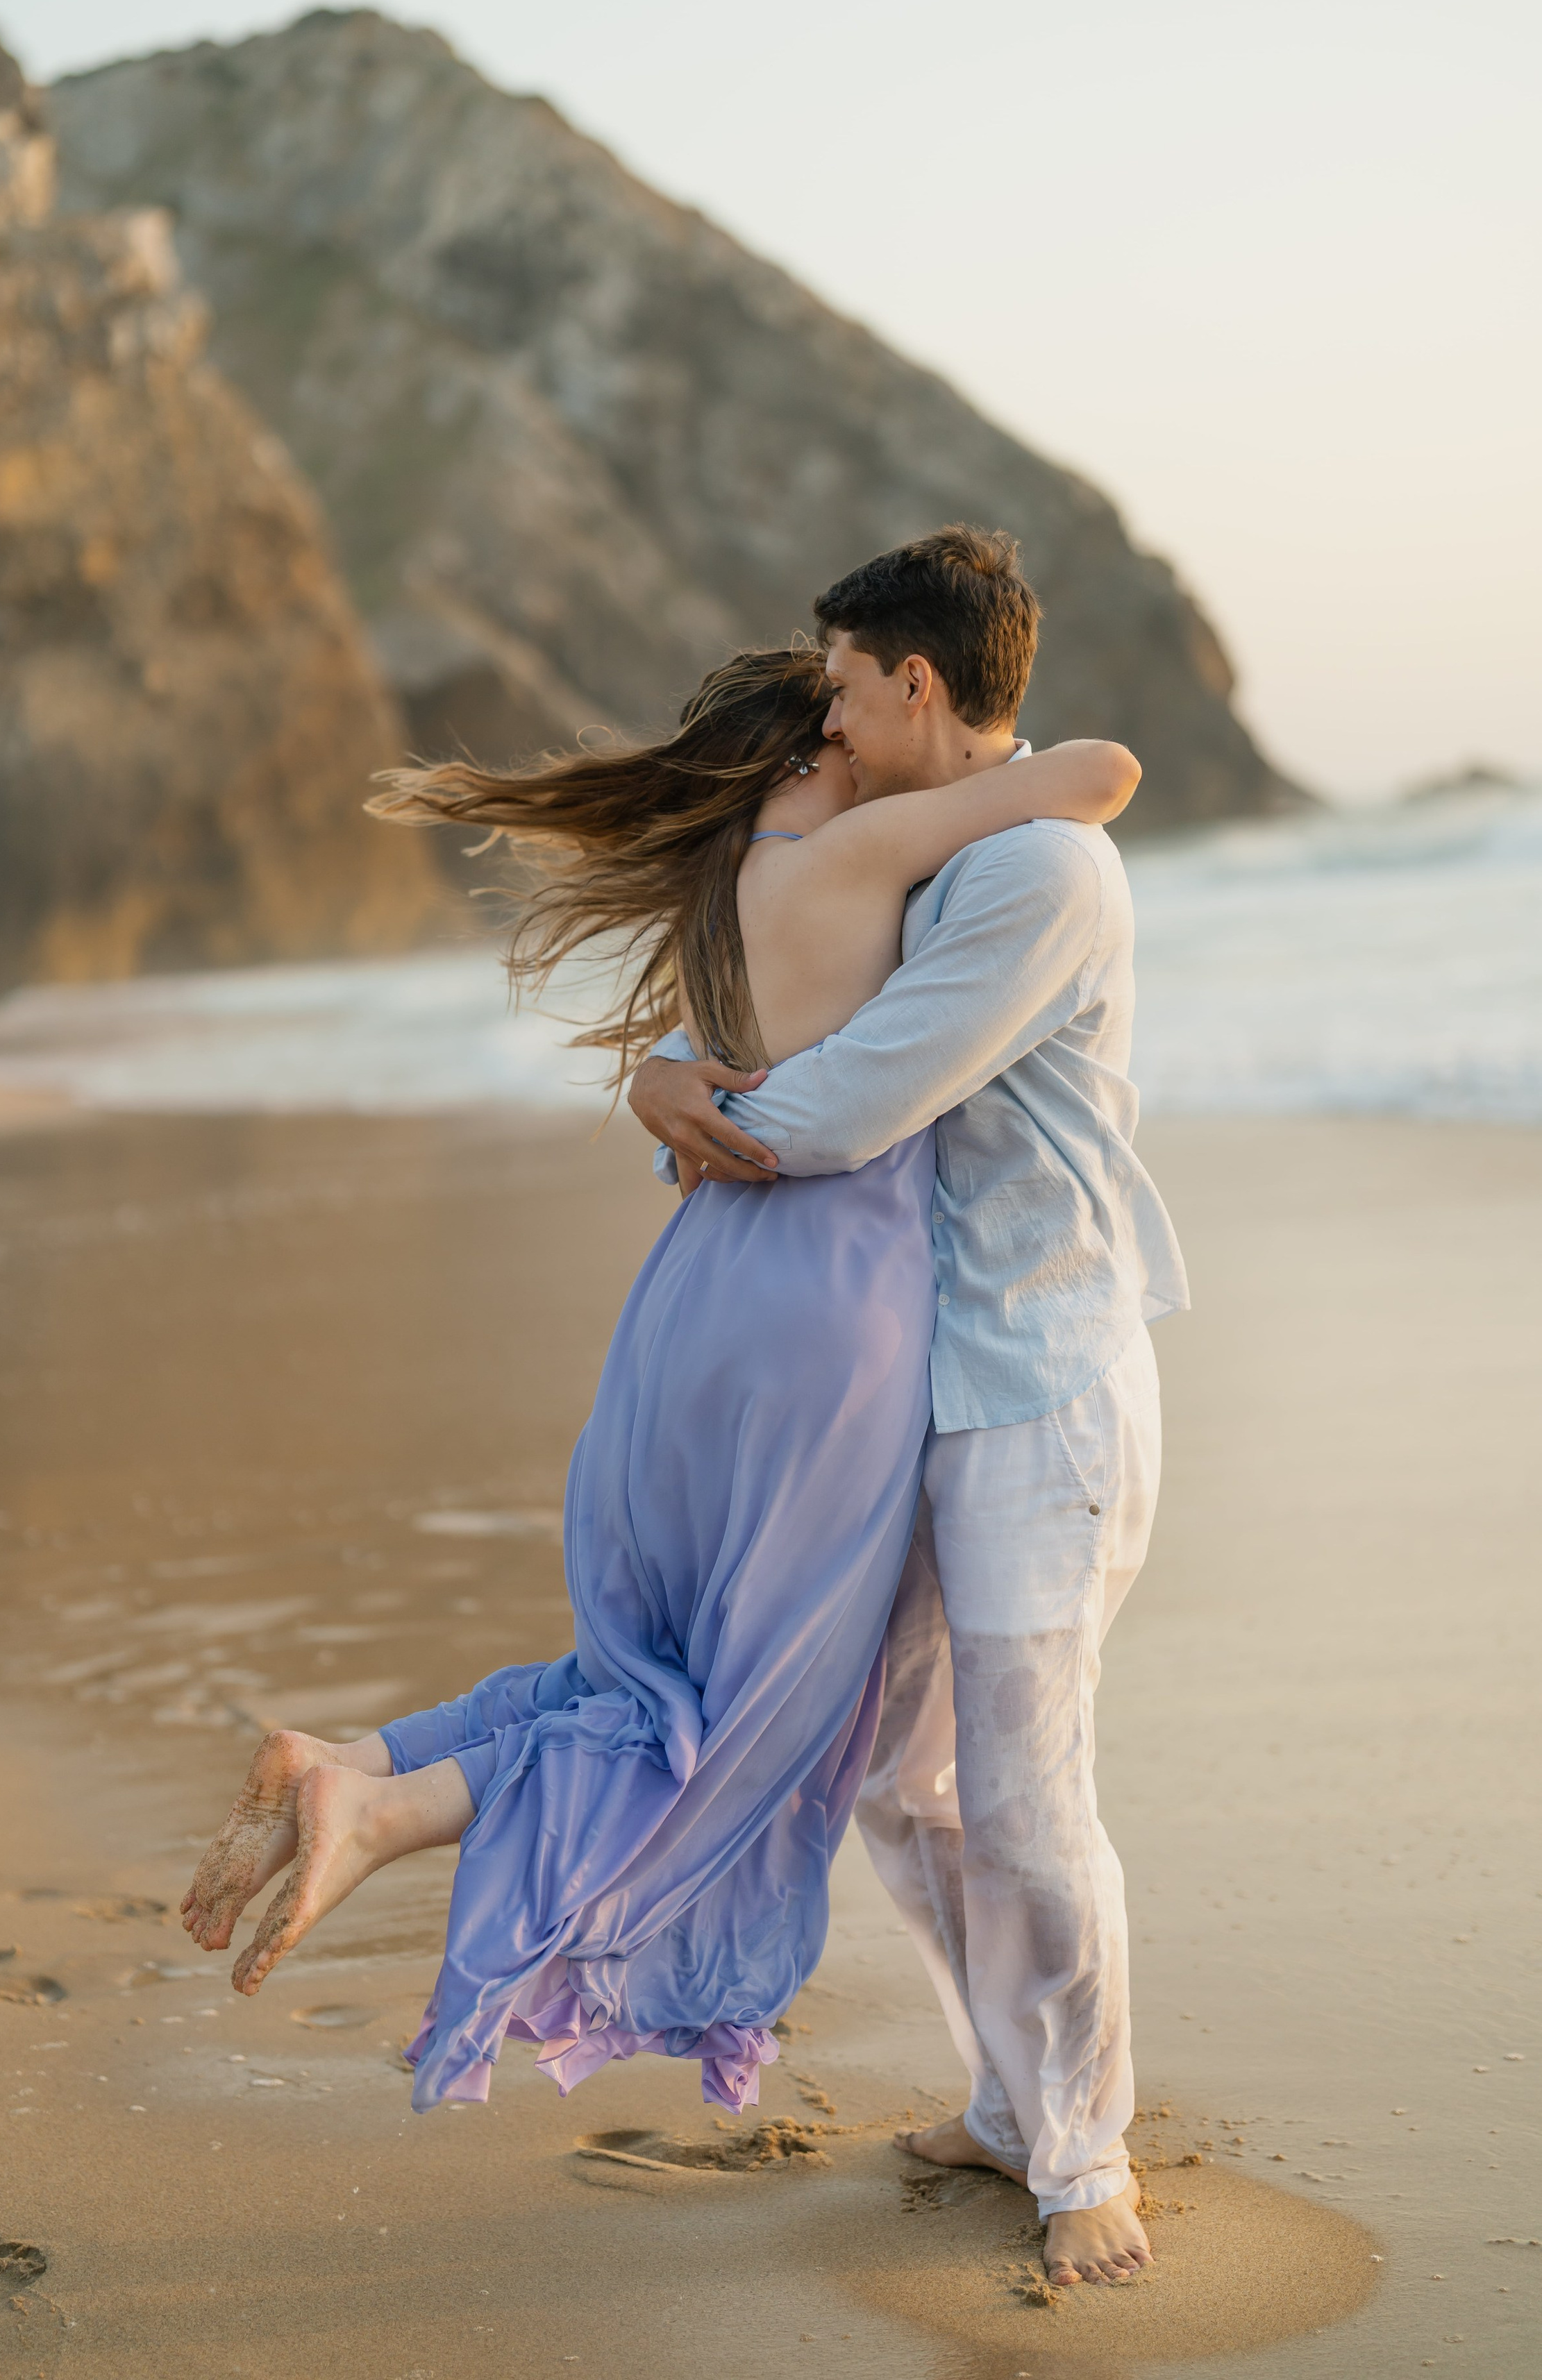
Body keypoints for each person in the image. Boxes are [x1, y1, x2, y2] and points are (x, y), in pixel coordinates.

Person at [178, 636, 1139, 2137]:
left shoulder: (739, 895)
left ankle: (360, 1757)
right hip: (822, 1336)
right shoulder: (864, 854)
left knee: (644, 1676)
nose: (846, 722)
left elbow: (724, 1060)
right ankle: (388, 1806)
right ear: (805, 754)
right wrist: (960, 764)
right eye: (824, 711)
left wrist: (657, 1082)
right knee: (737, 1723)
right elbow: (1095, 778)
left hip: (688, 1308)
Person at [627, 523, 1188, 2288]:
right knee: (896, 1770)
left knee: (1023, 1791)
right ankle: (1013, 2092)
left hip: (1038, 1388)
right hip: (920, 1387)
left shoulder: (1035, 877)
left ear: (918, 683)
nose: (836, 718)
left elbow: (843, 1104)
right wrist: (660, 1071)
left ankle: (1081, 2150)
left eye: (851, 688)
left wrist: (698, 1114)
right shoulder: (928, 849)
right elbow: (753, 1011)